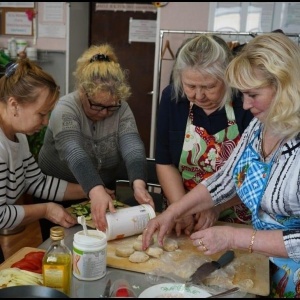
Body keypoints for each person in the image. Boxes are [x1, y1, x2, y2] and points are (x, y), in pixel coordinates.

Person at [143, 32, 300, 297]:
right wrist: (174, 212)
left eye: (252, 94)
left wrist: (233, 237)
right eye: (243, 95)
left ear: (285, 85)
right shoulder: (260, 128)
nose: (246, 105)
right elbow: (225, 180)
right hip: (268, 264)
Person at [37, 43, 154, 240]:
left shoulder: (122, 109)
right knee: (65, 246)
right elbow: (73, 151)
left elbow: (132, 147)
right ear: (82, 92)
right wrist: (95, 189)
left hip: (103, 192)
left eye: (111, 107)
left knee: (102, 244)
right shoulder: (65, 108)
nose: (104, 113)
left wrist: (139, 184)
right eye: (97, 106)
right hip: (59, 192)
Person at [156, 34, 253, 236]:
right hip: (182, 211)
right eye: (190, 86)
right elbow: (165, 162)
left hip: (235, 215)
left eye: (209, 87)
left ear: (228, 78)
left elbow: (257, 174)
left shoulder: (246, 103)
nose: (199, 96)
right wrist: (181, 208)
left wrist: (215, 205)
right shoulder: (173, 98)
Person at [0, 59, 88, 234]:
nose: (46, 122)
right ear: (14, 105)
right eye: (41, 114)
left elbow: (37, 182)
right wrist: (46, 210)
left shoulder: (19, 136)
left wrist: (90, 190)